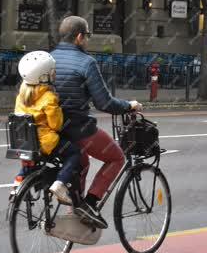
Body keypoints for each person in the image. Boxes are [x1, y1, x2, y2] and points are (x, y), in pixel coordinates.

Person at [51, 16, 142, 228]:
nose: (87, 41)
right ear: (79, 37)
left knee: (82, 163)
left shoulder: (49, 57)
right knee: (117, 157)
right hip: (77, 128)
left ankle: (74, 206)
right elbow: (104, 102)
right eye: (87, 37)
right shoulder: (86, 62)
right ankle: (89, 203)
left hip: (51, 129)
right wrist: (129, 105)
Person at [12, 51, 80, 206]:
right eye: (52, 72)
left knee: (32, 163)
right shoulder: (49, 97)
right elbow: (56, 125)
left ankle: (17, 183)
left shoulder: (21, 96)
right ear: (43, 77)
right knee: (74, 153)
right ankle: (60, 184)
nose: (54, 74)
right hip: (45, 143)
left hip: (26, 143)